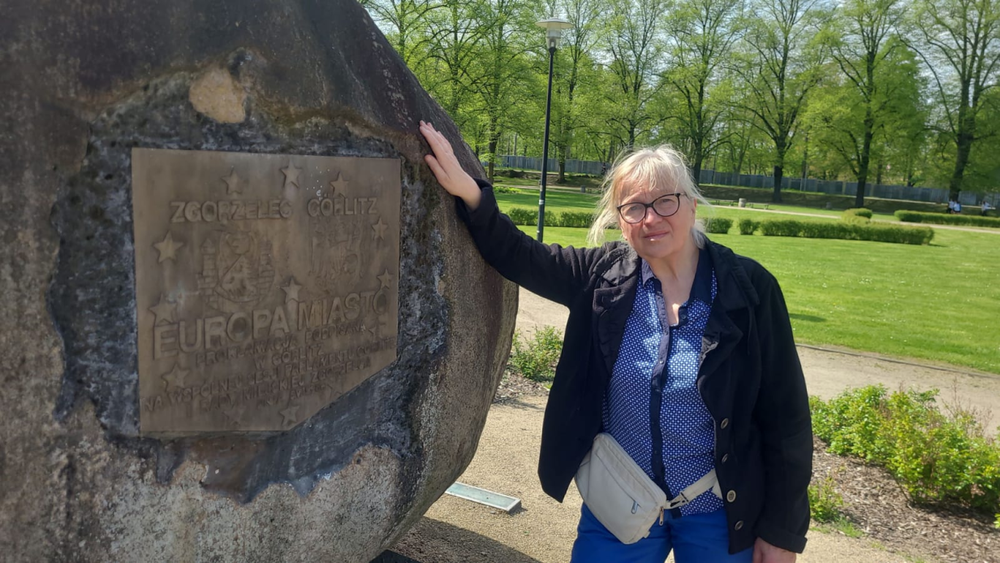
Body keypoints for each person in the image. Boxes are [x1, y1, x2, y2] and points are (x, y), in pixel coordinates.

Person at [420, 121, 811, 563]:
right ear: (619, 220)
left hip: (718, 510)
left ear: (693, 205)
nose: (651, 218)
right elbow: (521, 255)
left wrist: (782, 532)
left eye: (666, 201)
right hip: (622, 501)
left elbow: (787, 419)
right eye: (634, 208)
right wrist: (470, 193)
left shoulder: (749, 289)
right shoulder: (602, 277)